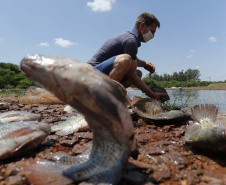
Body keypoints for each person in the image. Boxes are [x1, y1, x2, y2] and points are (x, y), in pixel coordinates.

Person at [87, 12, 168, 102]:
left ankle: (110, 94)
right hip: (89, 75)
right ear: (142, 26)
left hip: (100, 75)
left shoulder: (130, 38)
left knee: (138, 73)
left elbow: (133, 60)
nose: (153, 35)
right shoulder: (130, 41)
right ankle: (103, 98)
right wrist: (151, 94)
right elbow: (130, 72)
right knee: (126, 61)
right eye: (152, 31)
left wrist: (144, 64)